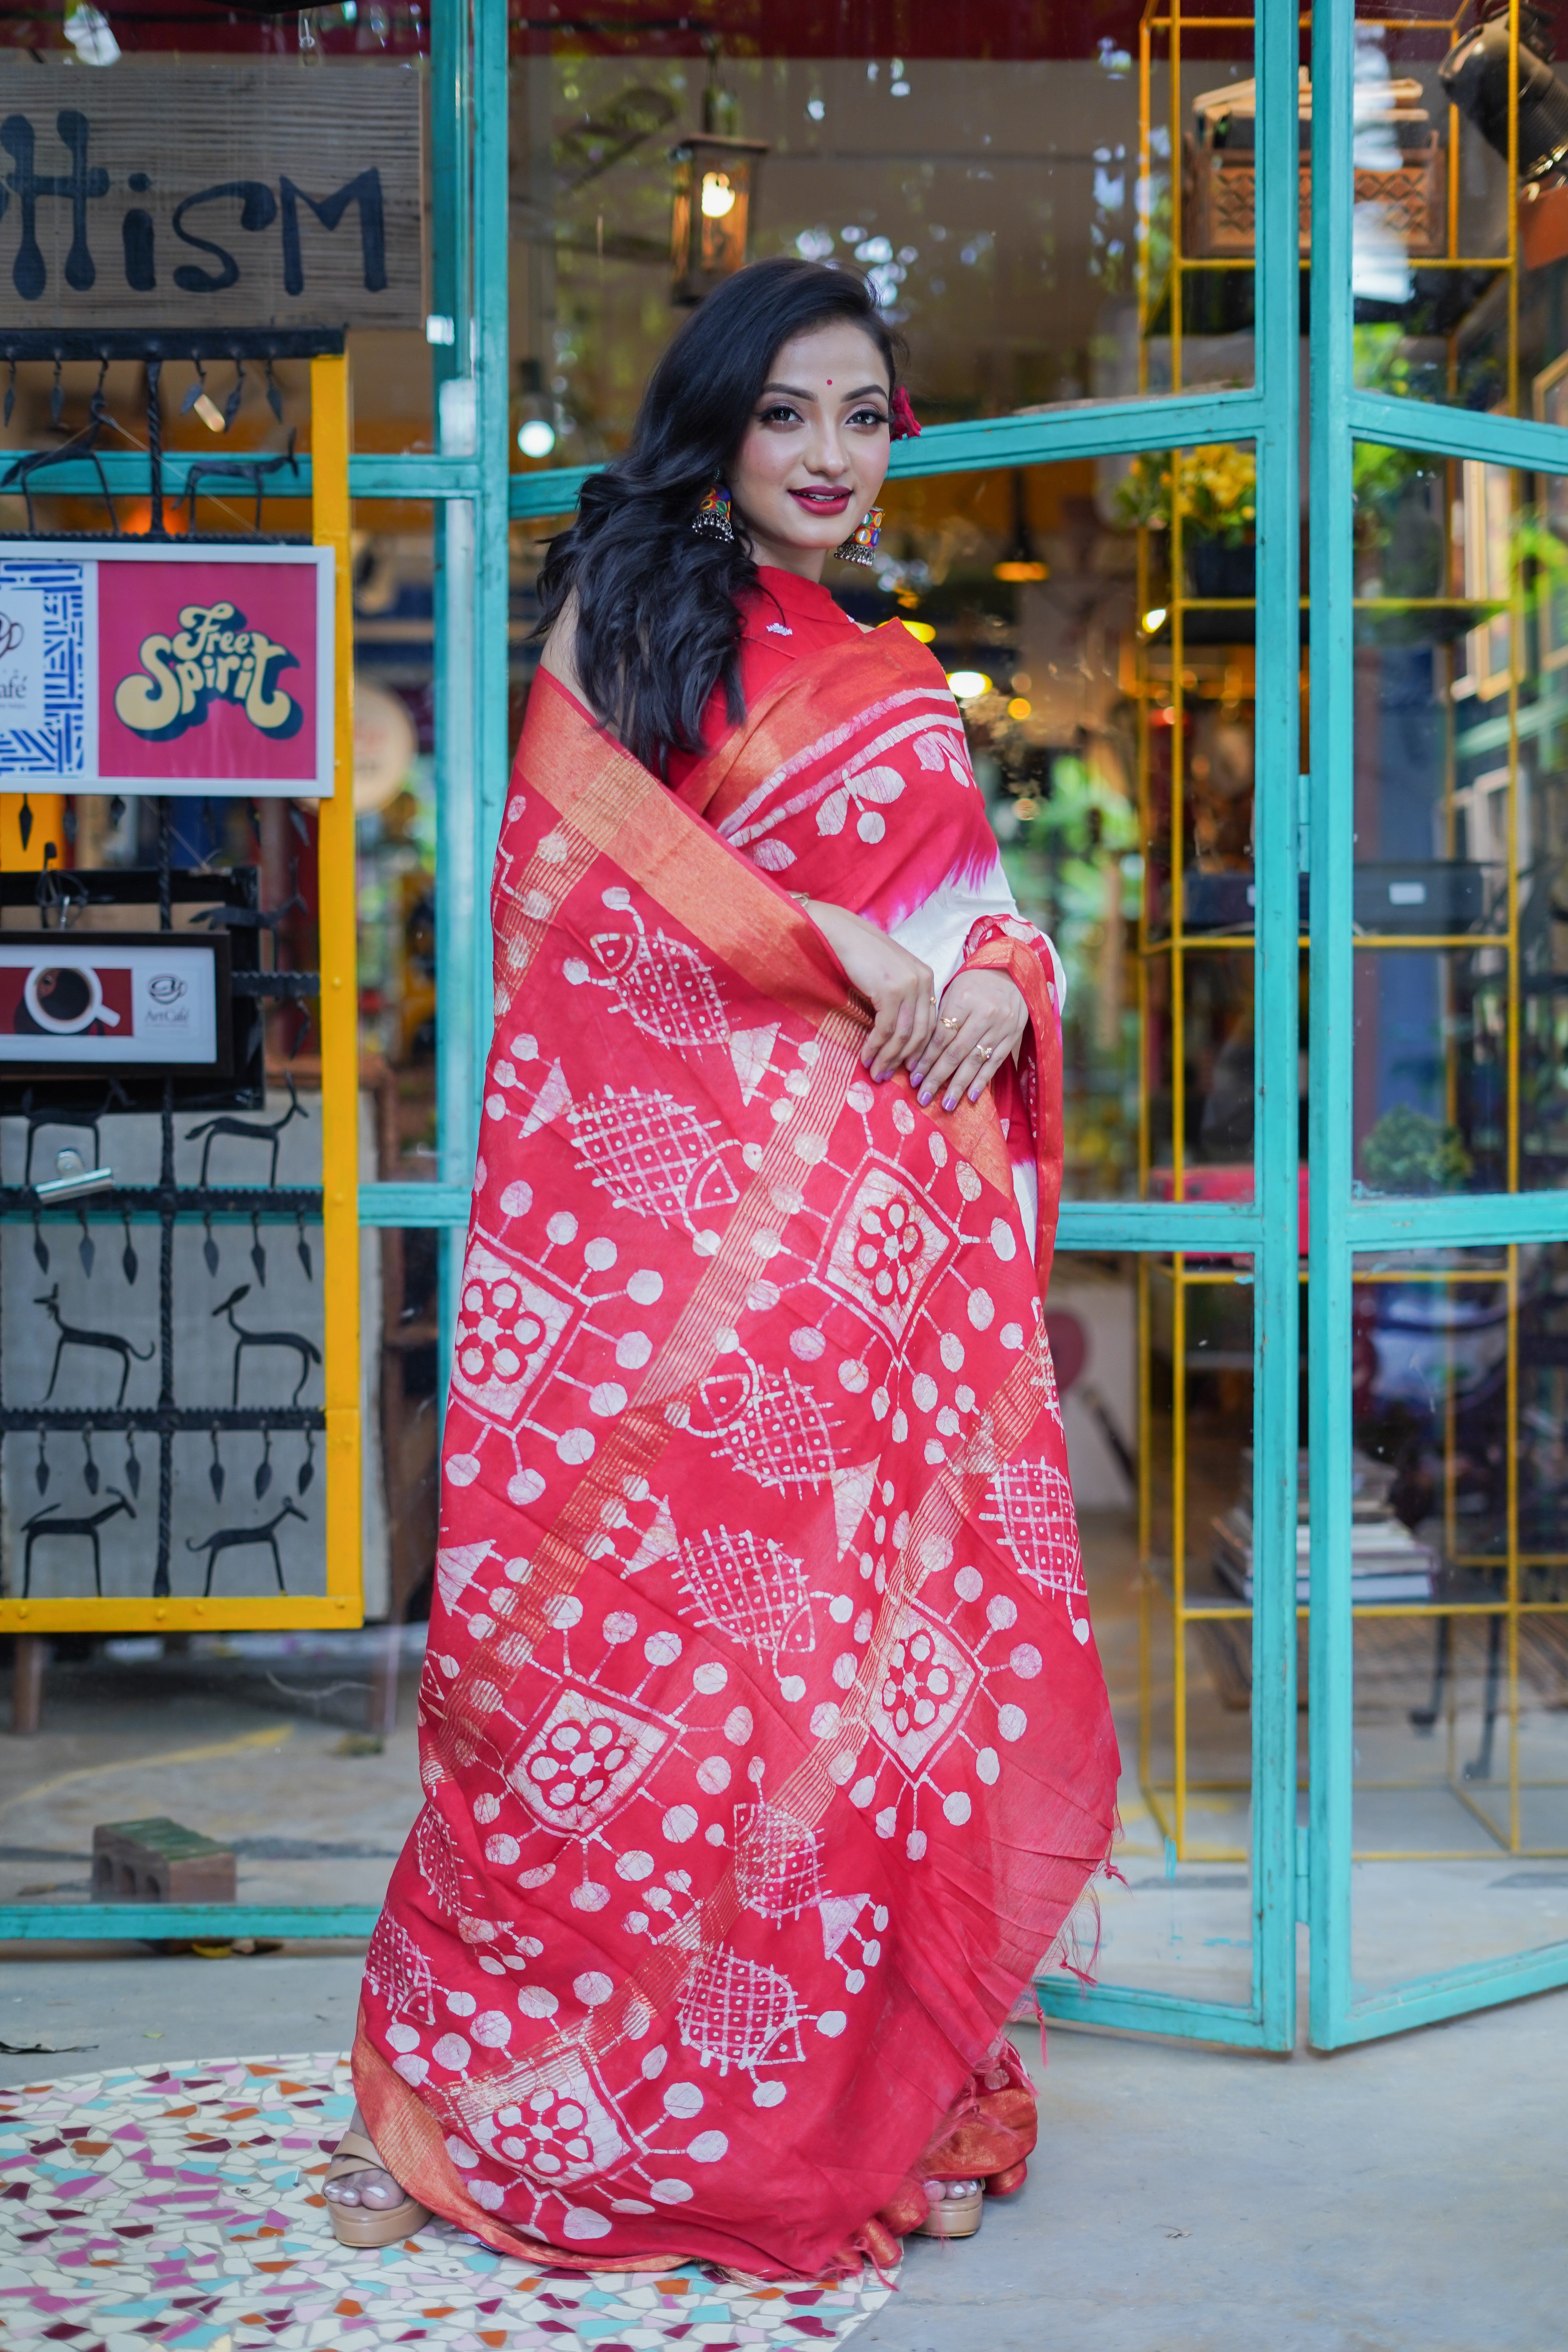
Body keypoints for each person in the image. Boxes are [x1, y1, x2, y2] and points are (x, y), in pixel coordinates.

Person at [325, 256, 1119, 2278]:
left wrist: (1005, 986)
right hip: (653, 1260)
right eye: (790, 414)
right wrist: (837, 957)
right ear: (720, 426)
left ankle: (831, 2091)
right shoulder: (628, 616)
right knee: (613, 1679)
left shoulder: (897, 679)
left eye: (865, 415)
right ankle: (534, 2094)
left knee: (821, 1698)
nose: (834, 455)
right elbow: (592, 901)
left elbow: (984, 926)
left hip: (854, 1290)